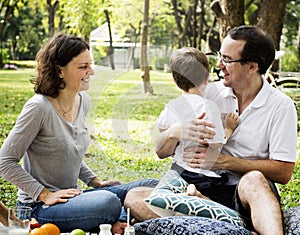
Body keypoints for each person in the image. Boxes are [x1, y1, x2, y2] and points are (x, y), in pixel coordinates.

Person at [125, 25, 297, 235]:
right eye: (219, 56)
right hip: (198, 188)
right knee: (134, 197)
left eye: (227, 59)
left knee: (254, 179)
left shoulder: (280, 106)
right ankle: (231, 226)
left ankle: (223, 222)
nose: (218, 65)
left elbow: (283, 171)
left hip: (242, 194)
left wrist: (225, 162)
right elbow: (162, 150)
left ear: (251, 66)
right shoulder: (207, 93)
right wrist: (173, 132)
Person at [0, 33, 157, 234]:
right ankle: (119, 217)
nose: (91, 71)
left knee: (151, 185)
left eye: (90, 64)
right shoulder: (38, 108)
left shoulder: (83, 101)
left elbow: (69, 151)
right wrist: (44, 194)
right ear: (59, 71)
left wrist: (95, 182)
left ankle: (118, 217)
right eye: (83, 67)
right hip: (39, 208)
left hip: (74, 198)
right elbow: (4, 161)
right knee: (108, 201)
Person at [157, 47, 239, 181]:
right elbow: (217, 143)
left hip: (177, 171)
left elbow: (163, 131)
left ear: (174, 81)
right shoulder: (209, 106)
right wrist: (229, 128)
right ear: (206, 78)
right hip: (203, 175)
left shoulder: (171, 106)